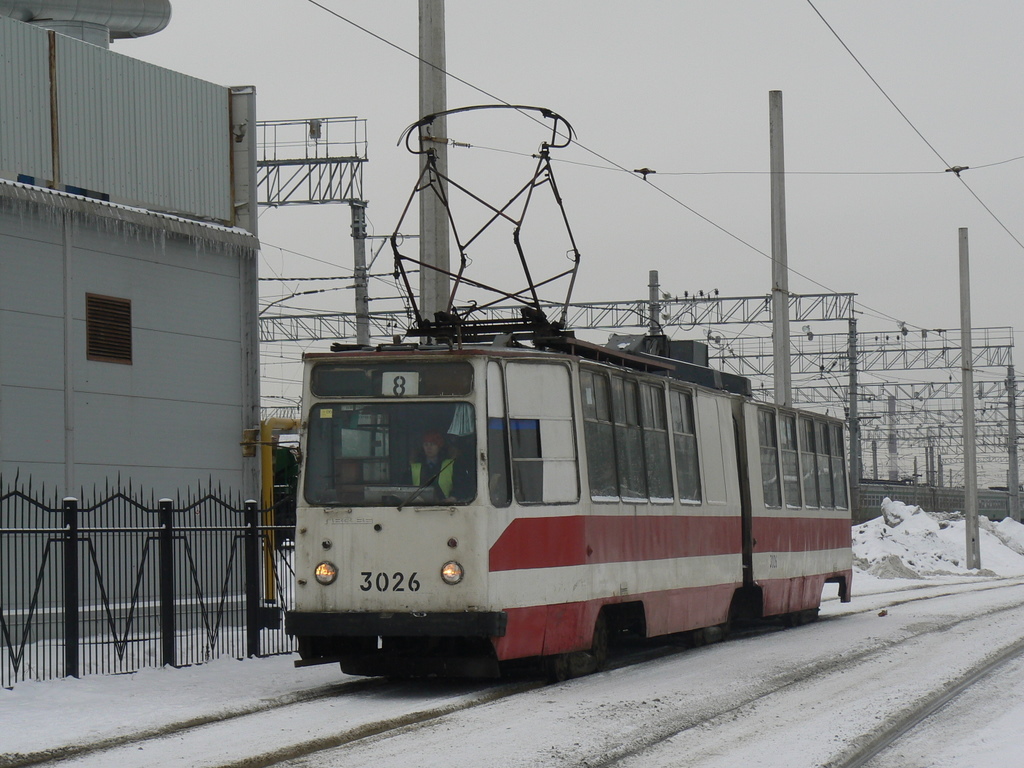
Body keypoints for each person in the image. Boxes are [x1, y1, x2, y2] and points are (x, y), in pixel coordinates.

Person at [410, 431, 457, 502]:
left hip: (446, 508)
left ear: (439, 446)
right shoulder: (413, 467)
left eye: (432, 444)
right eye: (426, 444)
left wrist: (453, 497)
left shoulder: (451, 465)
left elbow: (460, 486)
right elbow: (405, 489)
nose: (429, 448)